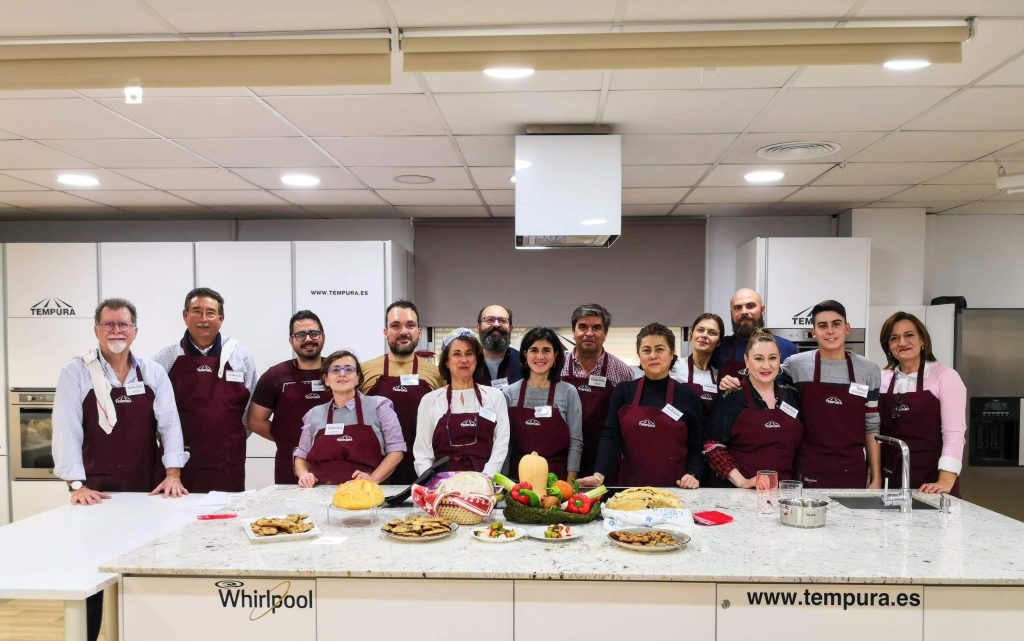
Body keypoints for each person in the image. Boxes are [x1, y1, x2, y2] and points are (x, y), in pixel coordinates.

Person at [52, 298, 189, 641]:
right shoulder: (76, 371)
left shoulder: (152, 372)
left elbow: (170, 424)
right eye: (109, 324)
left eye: (123, 324)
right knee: (91, 572)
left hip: (146, 486)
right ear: (96, 330)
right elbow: (66, 428)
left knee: (143, 566)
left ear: (135, 331)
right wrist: (75, 484)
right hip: (96, 491)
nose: (116, 331)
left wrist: (173, 473)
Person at [578, 323, 705, 489]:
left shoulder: (688, 396)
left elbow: (697, 445)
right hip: (629, 490)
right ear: (639, 354)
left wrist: (693, 474)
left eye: (659, 349)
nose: (652, 355)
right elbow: (611, 437)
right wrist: (599, 475)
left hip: (676, 489)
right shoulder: (623, 391)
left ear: (672, 353)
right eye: (646, 350)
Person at [154, 287, 256, 492]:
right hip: (178, 463)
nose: (203, 318)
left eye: (210, 313)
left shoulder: (240, 357)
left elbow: (251, 410)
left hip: (227, 461)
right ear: (185, 315)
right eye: (196, 311)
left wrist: (228, 441)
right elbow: (156, 415)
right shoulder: (164, 359)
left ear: (221, 318)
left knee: (227, 518)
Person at [782, 300, 881, 489]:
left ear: (847, 328)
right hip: (809, 468)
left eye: (836, 324)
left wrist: (876, 477)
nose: (830, 331)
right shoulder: (795, 365)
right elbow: (762, 378)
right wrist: (734, 381)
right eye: (822, 326)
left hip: (853, 470)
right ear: (814, 332)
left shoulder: (869, 370)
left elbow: (872, 426)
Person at [879, 311, 967, 495]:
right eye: (894, 338)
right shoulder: (882, 379)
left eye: (909, 335)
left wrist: (945, 480)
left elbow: (954, 433)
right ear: (888, 346)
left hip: (931, 482)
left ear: (922, 341)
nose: (902, 342)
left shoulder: (944, 377)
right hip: (890, 481)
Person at [703, 329, 803, 487]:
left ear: (779, 360)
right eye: (758, 359)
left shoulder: (791, 395)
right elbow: (712, 446)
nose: (766, 365)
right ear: (746, 360)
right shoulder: (731, 397)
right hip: (742, 493)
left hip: (785, 492)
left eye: (772, 358)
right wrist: (742, 482)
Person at [361, 300, 445, 484]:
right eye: (395, 326)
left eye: (410, 325)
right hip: (375, 470)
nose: (403, 331)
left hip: (423, 466)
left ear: (419, 332)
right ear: (385, 332)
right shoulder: (364, 371)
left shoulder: (437, 374)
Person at [293, 351, 405, 486]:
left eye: (348, 369)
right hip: (321, 492)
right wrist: (304, 474)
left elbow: (396, 450)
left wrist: (373, 479)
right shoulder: (314, 414)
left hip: (366, 491)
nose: (342, 374)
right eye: (335, 370)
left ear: (358, 377)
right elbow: (301, 455)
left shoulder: (379, 406)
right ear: (326, 379)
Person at [414, 328, 510, 475]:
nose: (464, 360)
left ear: (477, 360)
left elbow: (501, 444)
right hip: (443, 487)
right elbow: (422, 453)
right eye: (456, 354)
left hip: (484, 485)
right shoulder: (430, 400)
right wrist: (432, 484)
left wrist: (486, 479)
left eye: (469, 354)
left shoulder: (495, 396)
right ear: (446, 361)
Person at [248, 310, 329, 484]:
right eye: (300, 335)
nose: (308, 339)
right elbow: (255, 420)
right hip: (289, 467)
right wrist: (286, 439)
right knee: (292, 511)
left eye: (314, 333)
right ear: (291, 340)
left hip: (334, 464)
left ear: (323, 336)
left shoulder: (339, 372)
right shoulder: (275, 376)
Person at [560, 303, 638, 478]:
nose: (589, 333)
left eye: (596, 328)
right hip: (563, 458)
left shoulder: (622, 372)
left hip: (604, 462)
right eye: (583, 327)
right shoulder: (557, 367)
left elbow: (628, 422)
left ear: (605, 333)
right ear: (573, 331)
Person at [503, 327, 583, 481]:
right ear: (525, 355)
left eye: (546, 350)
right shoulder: (509, 393)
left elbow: (576, 442)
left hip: (556, 482)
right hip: (516, 482)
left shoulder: (568, 393)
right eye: (534, 350)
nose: (540, 356)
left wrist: (569, 485)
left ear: (555, 355)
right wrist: (505, 483)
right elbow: (503, 445)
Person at [713, 288, 798, 380]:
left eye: (750, 306)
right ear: (731, 313)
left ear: (762, 309)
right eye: (738, 308)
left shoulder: (787, 348)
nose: (744, 312)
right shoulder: (720, 347)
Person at [671, 312, 724, 414]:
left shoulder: (719, 375)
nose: (704, 335)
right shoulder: (674, 365)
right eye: (700, 330)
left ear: (718, 342)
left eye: (712, 332)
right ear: (691, 336)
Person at [474, 304, 522, 388]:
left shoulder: (524, 363)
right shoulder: (467, 363)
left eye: (502, 320)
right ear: (478, 328)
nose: (496, 324)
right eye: (489, 320)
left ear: (511, 328)